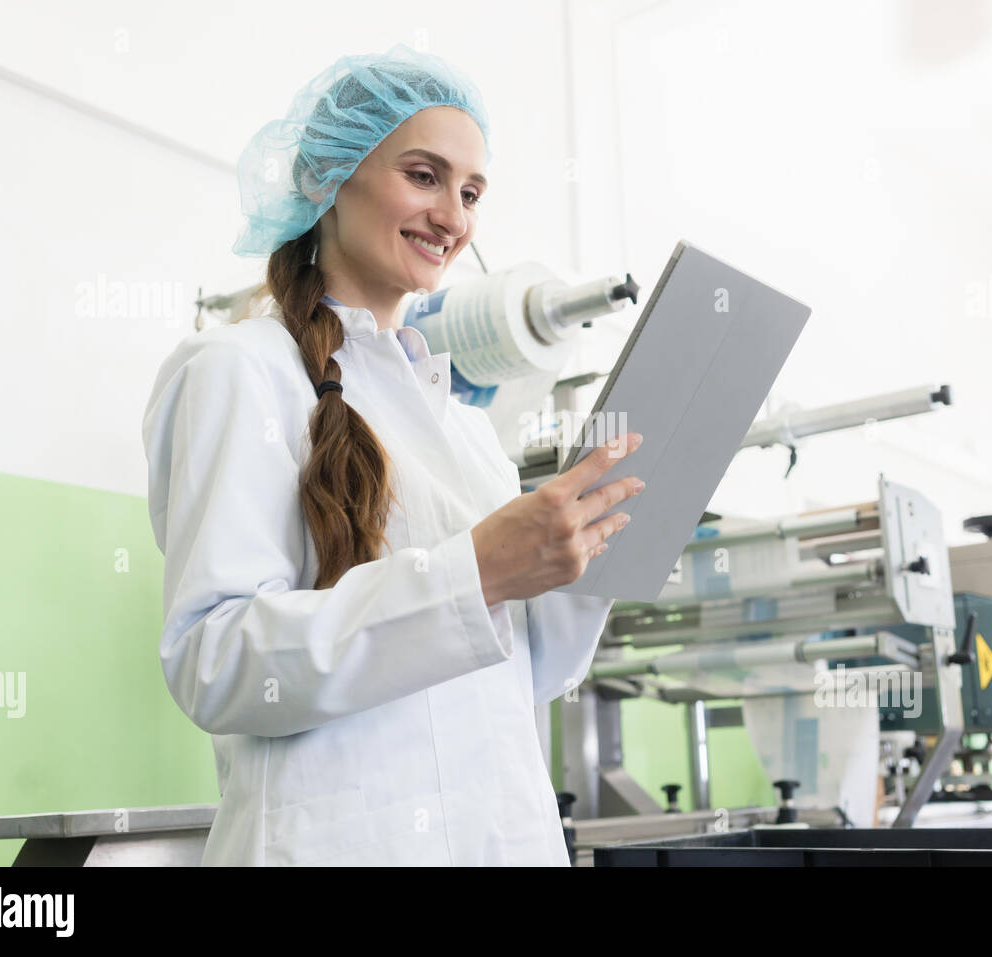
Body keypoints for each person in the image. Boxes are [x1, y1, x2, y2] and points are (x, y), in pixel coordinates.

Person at [140, 45, 644, 866]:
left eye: (472, 192)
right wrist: (474, 570)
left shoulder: (465, 430)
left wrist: (592, 560)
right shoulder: (240, 371)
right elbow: (218, 659)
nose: (455, 214)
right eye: (424, 176)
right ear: (328, 178)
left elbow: (519, 671)